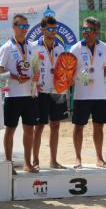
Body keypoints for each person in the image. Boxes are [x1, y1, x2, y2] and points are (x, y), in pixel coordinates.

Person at [0, 14, 39, 174]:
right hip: (13, 95)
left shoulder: (31, 47)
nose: (25, 29)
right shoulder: (6, 47)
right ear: (14, 27)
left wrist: (35, 75)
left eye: (27, 26)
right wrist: (15, 76)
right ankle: (8, 163)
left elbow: (35, 67)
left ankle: (28, 163)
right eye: (22, 26)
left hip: (29, 94)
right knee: (11, 129)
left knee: (29, 130)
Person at [70, 17, 106, 169]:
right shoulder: (75, 48)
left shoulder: (105, 47)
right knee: (78, 126)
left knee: (99, 126)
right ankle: (77, 158)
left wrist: (97, 79)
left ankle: (100, 158)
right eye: (83, 29)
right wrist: (83, 77)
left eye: (88, 30)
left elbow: (105, 69)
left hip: (99, 95)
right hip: (82, 95)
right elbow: (70, 74)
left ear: (96, 32)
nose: (84, 32)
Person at [30, 16, 67, 170]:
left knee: (56, 125)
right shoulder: (34, 47)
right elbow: (32, 68)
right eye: (50, 29)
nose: (53, 33)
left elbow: (64, 68)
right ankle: (36, 161)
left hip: (57, 90)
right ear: (42, 30)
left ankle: (53, 160)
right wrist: (34, 82)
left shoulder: (60, 48)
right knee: (39, 126)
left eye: (54, 29)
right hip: (41, 90)